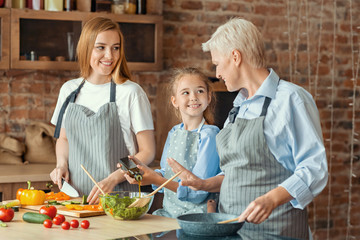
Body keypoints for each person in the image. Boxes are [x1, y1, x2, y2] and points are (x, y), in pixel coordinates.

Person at [167, 18, 328, 239]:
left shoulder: (291, 99)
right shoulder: (238, 107)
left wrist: (272, 198)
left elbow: (314, 167)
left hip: (276, 233)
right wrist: (204, 184)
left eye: (217, 63)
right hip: (233, 230)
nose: (217, 72)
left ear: (235, 57)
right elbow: (237, 172)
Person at [50, 17, 155, 204]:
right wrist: (61, 164)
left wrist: (113, 178)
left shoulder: (131, 92)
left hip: (120, 196)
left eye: (116, 47)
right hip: (76, 198)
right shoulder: (69, 90)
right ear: (86, 48)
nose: (110, 55)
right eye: (101, 47)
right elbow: (64, 139)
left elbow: (147, 152)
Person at [122, 67, 221, 218]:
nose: (194, 97)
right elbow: (166, 174)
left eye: (200, 91)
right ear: (175, 101)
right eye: (186, 92)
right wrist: (143, 173)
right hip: (169, 213)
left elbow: (199, 192)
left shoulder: (210, 135)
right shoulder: (174, 132)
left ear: (208, 97)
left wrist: (157, 179)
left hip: (196, 217)